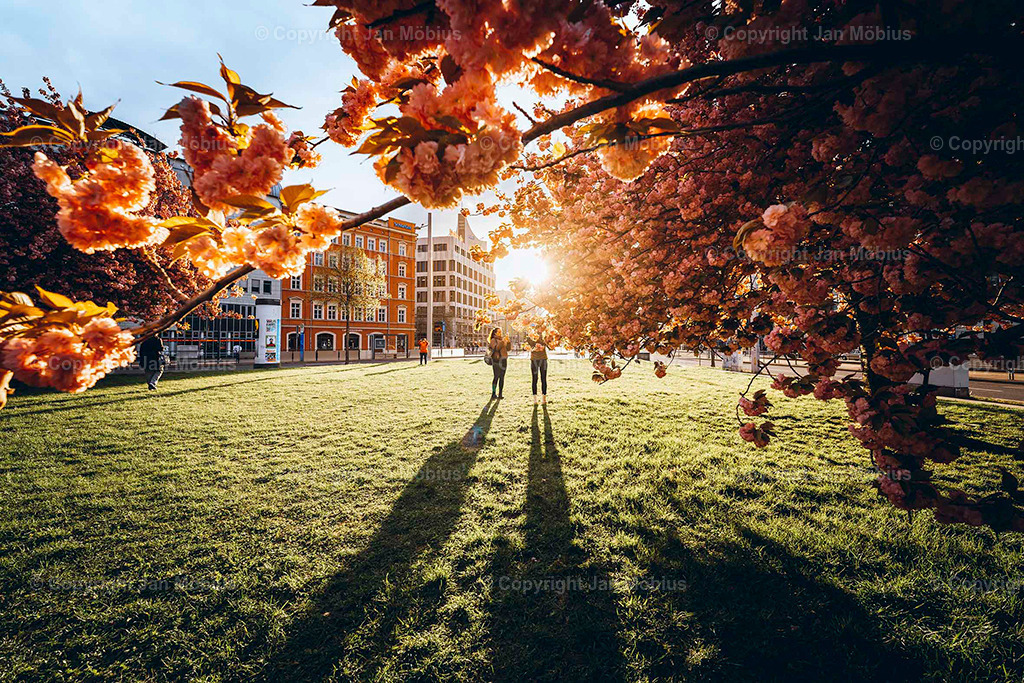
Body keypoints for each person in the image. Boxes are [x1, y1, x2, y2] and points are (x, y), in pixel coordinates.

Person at [487, 327, 510, 399]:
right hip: (496, 360)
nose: (500, 333)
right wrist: (503, 342)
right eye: (499, 332)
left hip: (503, 360)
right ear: (495, 333)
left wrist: (508, 342)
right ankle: (493, 393)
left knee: (502, 377)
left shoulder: (502, 339)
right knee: (496, 377)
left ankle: (500, 394)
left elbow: (508, 349)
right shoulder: (493, 340)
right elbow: (496, 348)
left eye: (501, 332)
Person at [527, 335, 549, 404]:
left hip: (543, 359)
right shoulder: (529, 336)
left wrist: (543, 346)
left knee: (543, 379)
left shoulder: (543, 335)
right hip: (534, 360)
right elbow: (526, 345)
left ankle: (544, 398)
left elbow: (548, 344)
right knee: (534, 379)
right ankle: (535, 399)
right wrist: (534, 348)